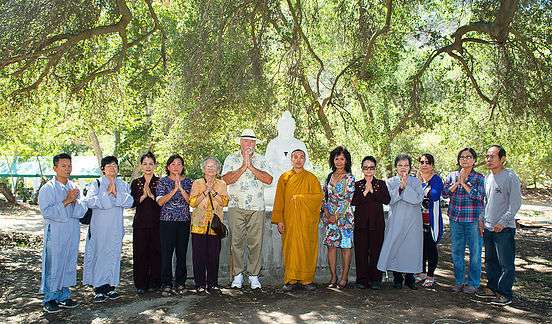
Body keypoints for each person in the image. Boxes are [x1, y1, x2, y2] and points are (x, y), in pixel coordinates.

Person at [222, 129, 273, 290]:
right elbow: (226, 179)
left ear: (255, 144)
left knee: (255, 243)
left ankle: (253, 276)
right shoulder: (231, 158)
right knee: (236, 242)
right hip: (236, 206)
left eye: (252, 141)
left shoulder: (262, 160)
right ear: (240, 142)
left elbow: (269, 179)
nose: (249, 144)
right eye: (246, 141)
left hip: (257, 207)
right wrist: (243, 166)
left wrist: (251, 167)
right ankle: (237, 276)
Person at [38, 153, 87, 313]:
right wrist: (66, 200)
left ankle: (64, 296)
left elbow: (80, 211)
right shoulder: (48, 188)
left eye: (69, 166)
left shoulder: (73, 187)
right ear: (55, 168)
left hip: (71, 231)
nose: (67, 169)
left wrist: (76, 200)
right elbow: (47, 212)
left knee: (68, 263)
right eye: (63, 166)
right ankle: (50, 298)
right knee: (54, 264)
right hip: (56, 233)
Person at [271, 149, 324, 291]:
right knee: (290, 249)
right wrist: (279, 220)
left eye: (301, 157)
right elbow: (279, 200)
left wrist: (301, 198)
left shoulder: (311, 178)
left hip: (307, 222)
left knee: (307, 248)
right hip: (290, 221)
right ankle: (290, 279)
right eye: (295, 157)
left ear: (305, 159)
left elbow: (318, 198)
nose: (298, 160)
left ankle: (307, 279)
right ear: (291, 160)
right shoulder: (285, 177)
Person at [83, 156, 134, 302]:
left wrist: (116, 193)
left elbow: (130, 201)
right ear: (103, 169)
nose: (113, 168)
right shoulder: (97, 183)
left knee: (114, 255)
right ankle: (99, 288)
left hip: (116, 226)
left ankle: (111, 287)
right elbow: (89, 201)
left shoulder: (122, 184)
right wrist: (107, 194)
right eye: (109, 166)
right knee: (99, 254)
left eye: (115, 165)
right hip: (99, 227)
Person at [477, 145, 521, 306]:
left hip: (504, 229)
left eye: (492, 156)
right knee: (490, 261)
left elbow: (515, 203)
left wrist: (502, 222)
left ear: (502, 158)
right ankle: (492, 290)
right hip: (488, 228)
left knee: (506, 264)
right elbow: (485, 202)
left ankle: (504, 294)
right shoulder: (488, 178)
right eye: (487, 156)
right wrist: (481, 219)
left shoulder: (510, 177)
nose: (489, 159)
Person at [377, 154, 424, 290]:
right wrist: (400, 188)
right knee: (396, 246)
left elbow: (417, 199)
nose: (403, 168)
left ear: (410, 167)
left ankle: (410, 278)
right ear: (396, 167)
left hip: (413, 220)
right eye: (400, 165)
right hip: (396, 219)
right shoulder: (390, 182)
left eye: (406, 165)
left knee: (411, 247)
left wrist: (406, 187)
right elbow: (389, 200)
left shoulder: (416, 182)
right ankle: (397, 278)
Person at [442, 148, 485, 293]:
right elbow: (444, 193)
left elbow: (479, 197)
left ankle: (473, 283)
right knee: (456, 252)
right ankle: (459, 281)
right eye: (462, 157)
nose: (465, 159)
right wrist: (457, 183)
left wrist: (465, 184)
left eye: (468, 157)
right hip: (455, 219)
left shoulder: (479, 177)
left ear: (474, 160)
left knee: (475, 253)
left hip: (473, 220)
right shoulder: (452, 176)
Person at [189, 157, 229, 293]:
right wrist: (205, 191)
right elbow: (193, 202)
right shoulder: (197, 183)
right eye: (208, 166)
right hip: (198, 224)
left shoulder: (222, 184)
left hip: (215, 225)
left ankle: (213, 283)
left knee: (213, 255)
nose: (211, 168)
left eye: (214, 166)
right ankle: (199, 284)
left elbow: (225, 202)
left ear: (218, 170)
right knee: (198, 256)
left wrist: (213, 192)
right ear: (203, 169)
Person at [351, 156, 390, 290]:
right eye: (366, 167)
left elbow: (386, 200)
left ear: (375, 169)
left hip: (377, 223)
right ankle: (362, 280)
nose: (368, 170)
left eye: (371, 167)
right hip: (361, 223)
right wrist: (366, 191)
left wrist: (372, 191)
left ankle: (376, 279)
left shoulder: (381, 183)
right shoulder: (357, 184)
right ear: (362, 169)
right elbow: (354, 201)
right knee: (361, 252)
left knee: (376, 251)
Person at [156, 154, 193, 295]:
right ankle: (166, 284)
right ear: (168, 167)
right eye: (173, 164)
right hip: (167, 221)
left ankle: (180, 283)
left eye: (179, 164)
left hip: (183, 221)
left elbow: (191, 201)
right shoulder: (163, 182)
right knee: (166, 253)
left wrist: (181, 189)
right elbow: (160, 202)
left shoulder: (189, 182)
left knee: (181, 253)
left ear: (183, 167)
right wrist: (174, 190)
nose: (176, 166)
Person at [321, 146, 355, 289]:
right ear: (332, 160)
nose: (339, 161)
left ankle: (344, 276)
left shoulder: (350, 178)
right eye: (336, 158)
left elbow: (348, 200)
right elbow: (324, 197)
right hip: (330, 218)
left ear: (346, 161)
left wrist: (336, 216)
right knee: (331, 247)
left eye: (342, 158)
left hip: (345, 218)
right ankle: (333, 276)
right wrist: (327, 214)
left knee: (345, 247)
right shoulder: (329, 176)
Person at [130, 152, 161, 294]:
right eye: (145, 164)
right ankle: (141, 284)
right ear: (140, 166)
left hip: (157, 223)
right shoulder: (136, 182)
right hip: (140, 224)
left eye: (150, 163)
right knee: (140, 253)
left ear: (154, 165)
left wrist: (152, 196)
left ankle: (155, 282)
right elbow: (132, 202)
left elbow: (163, 203)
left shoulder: (161, 181)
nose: (148, 167)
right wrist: (143, 196)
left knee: (156, 253)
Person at [415, 153, 443, 288]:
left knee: (431, 248)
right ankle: (421, 273)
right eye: (422, 162)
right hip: (417, 220)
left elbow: (435, 195)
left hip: (431, 220)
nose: (424, 165)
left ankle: (431, 275)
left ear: (432, 165)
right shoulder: (417, 180)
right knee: (420, 248)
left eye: (427, 162)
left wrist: (422, 190)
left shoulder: (436, 179)